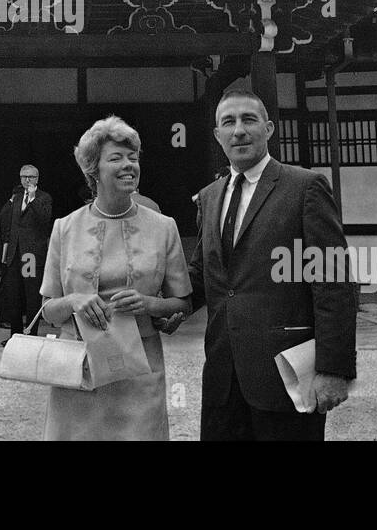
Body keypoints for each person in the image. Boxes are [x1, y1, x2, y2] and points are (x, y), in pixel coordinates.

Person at [185, 81, 357, 440]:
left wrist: (334, 369)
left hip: (286, 373)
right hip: (223, 377)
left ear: (268, 128)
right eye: (228, 122)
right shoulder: (210, 196)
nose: (239, 130)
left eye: (249, 119)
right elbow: (204, 276)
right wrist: (164, 305)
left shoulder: (305, 187)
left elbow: (334, 283)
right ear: (217, 135)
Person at [39, 116, 191, 440]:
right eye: (116, 158)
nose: (128, 165)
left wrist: (149, 304)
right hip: (77, 370)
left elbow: (183, 303)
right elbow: (49, 311)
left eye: (133, 158)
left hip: (140, 372)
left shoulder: (165, 227)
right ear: (93, 170)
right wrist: (73, 300)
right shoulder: (64, 228)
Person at [0, 164, 53, 345]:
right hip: (14, 253)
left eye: (30, 177)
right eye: (23, 177)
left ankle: (31, 335)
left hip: (31, 255)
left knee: (31, 296)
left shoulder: (43, 198)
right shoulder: (16, 198)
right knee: (13, 296)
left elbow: (45, 221)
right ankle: (15, 336)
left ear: (37, 178)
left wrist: (33, 198)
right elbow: (8, 224)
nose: (27, 180)